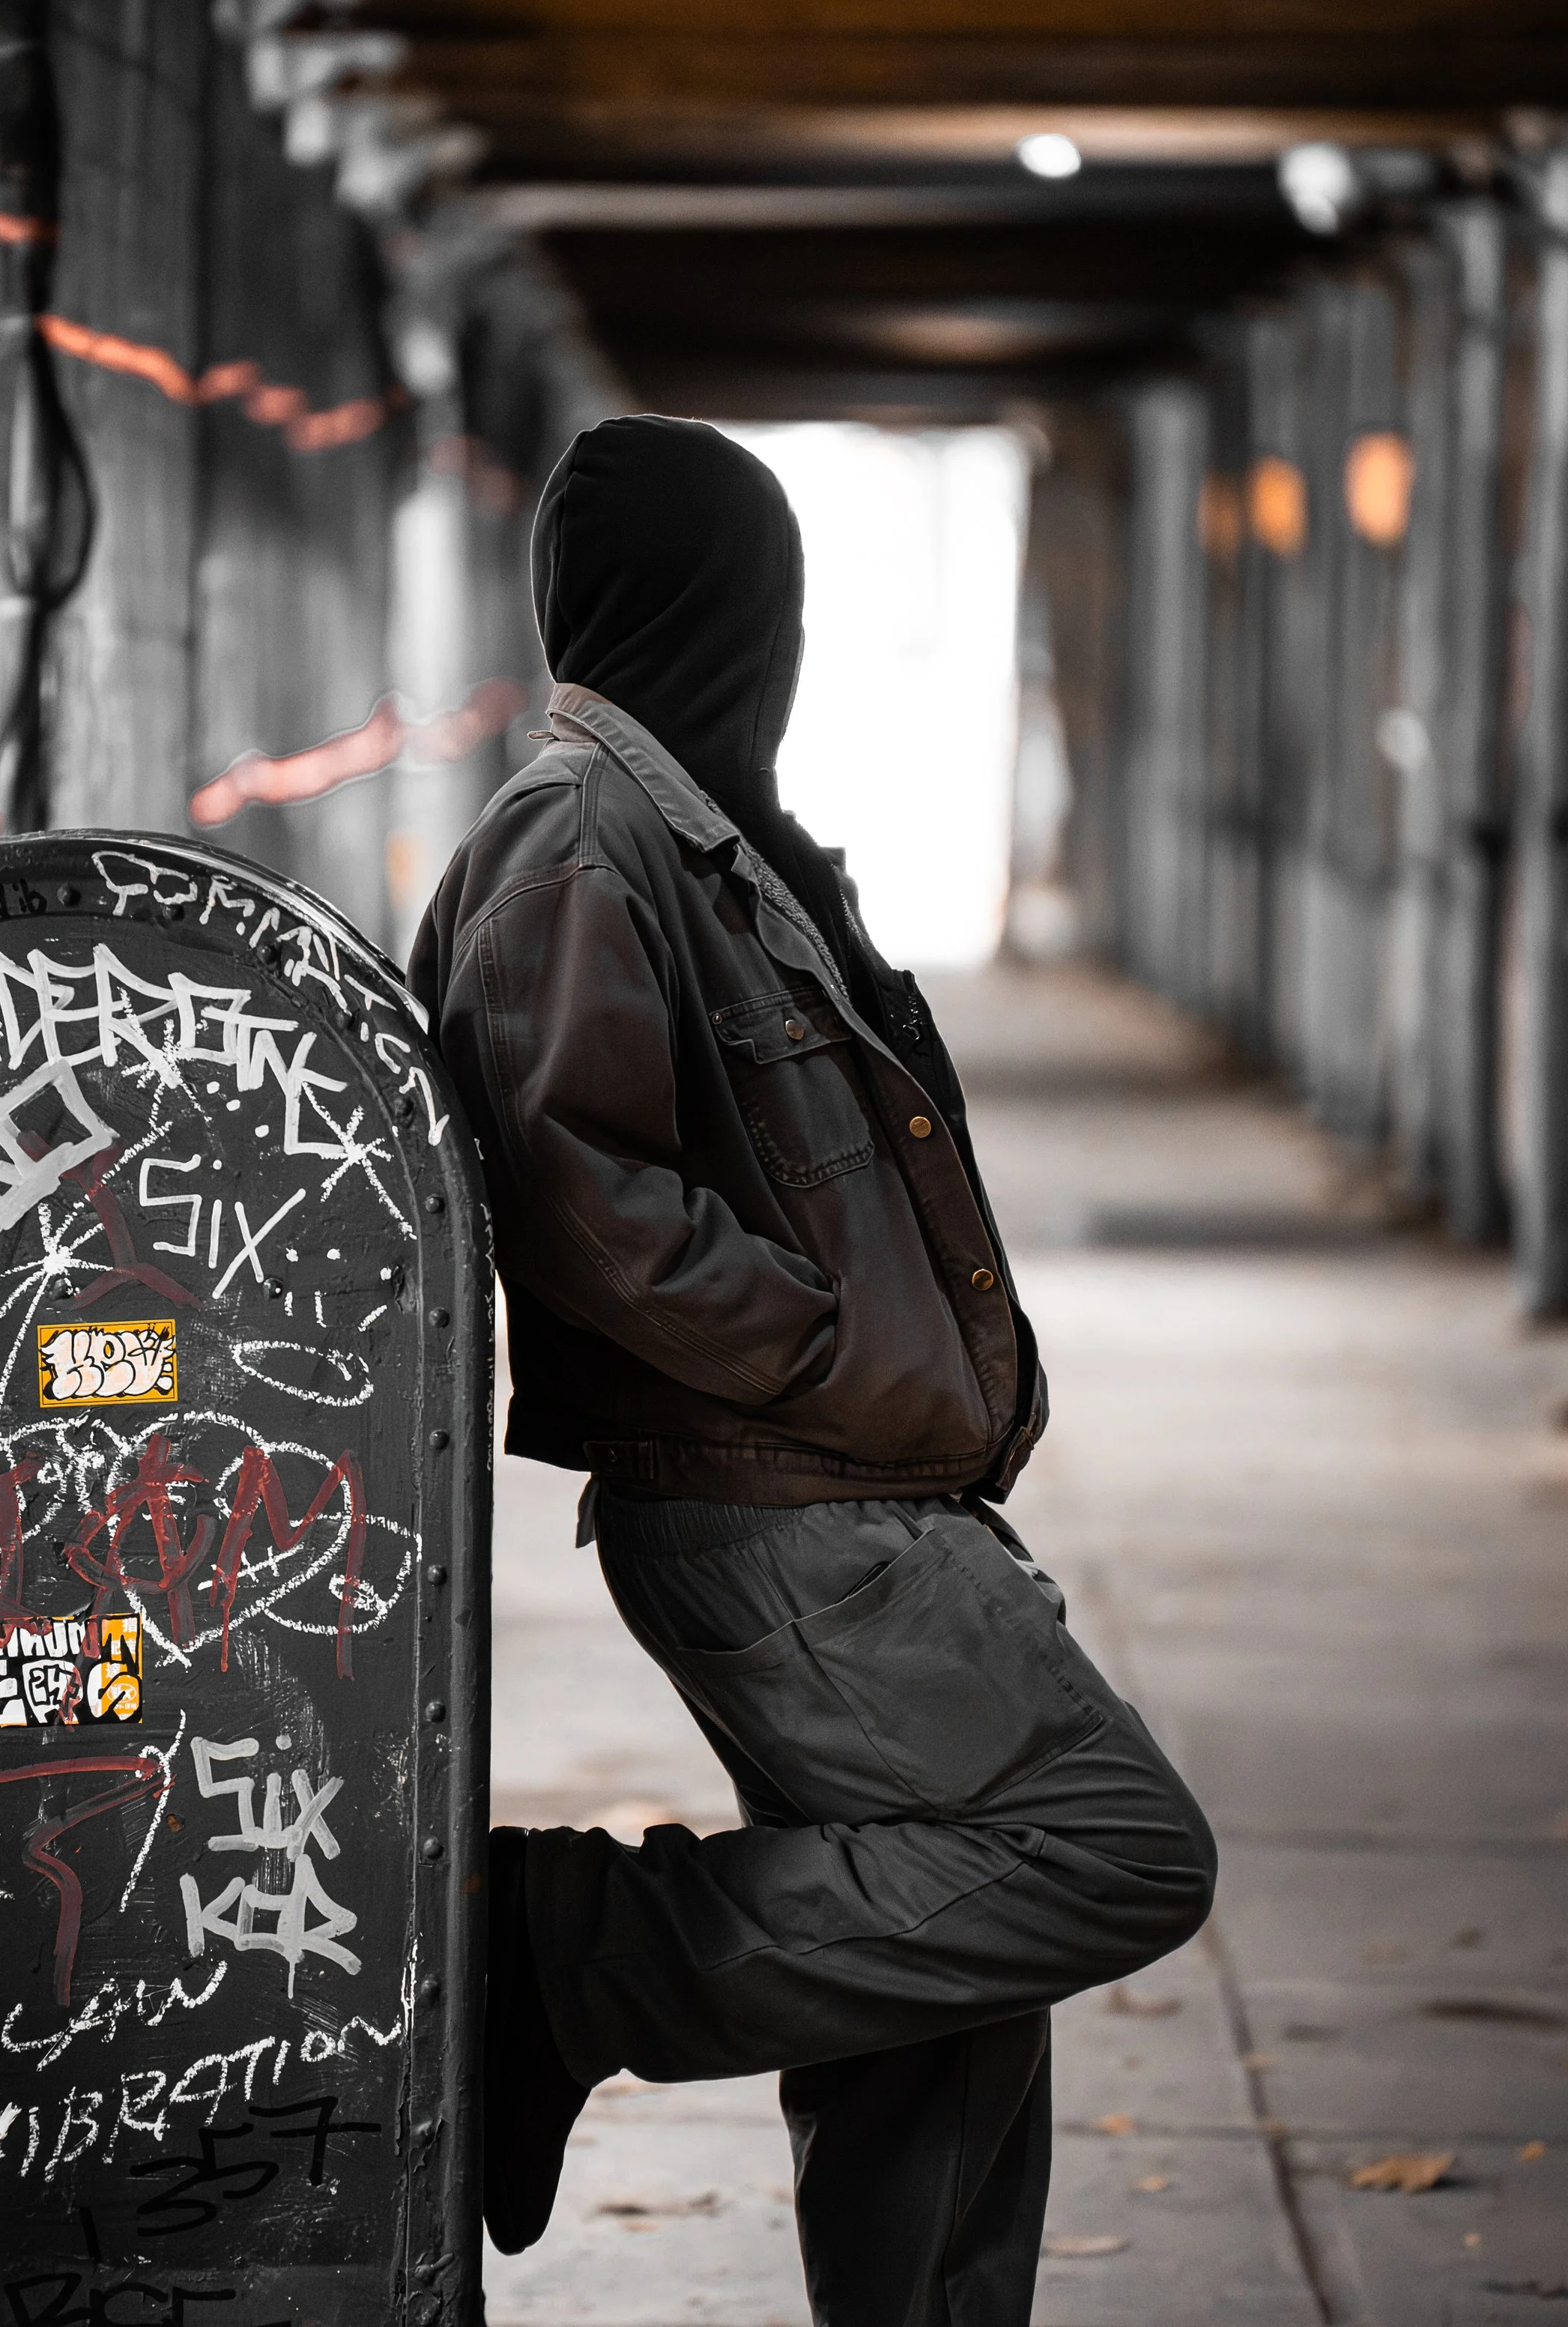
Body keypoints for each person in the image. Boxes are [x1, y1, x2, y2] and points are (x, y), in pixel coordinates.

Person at [410, 414, 1215, 2326]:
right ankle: (568, 1957)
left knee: (930, 1966)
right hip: (782, 1509)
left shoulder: (696, 825)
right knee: (1101, 1851)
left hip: (834, 1492)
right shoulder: (577, 838)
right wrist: (831, 1352)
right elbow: (584, 1196)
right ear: (712, 607)